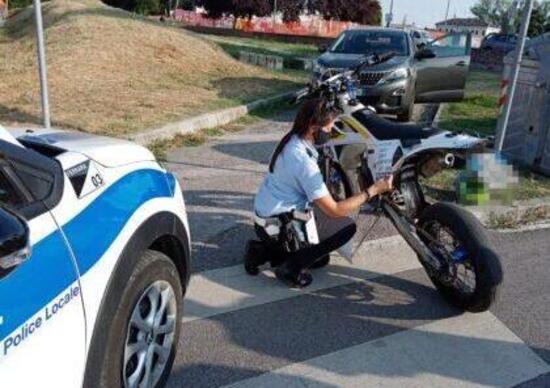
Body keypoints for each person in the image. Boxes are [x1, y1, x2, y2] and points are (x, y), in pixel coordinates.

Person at [245, 98, 393, 288]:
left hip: (265, 219)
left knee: (320, 259)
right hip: (279, 226)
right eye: (328, 128)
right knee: (346, 227)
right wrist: (373, 190)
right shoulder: (303, 161)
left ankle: (260, 251)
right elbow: (336, 210)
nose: (331, 132)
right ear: (313, 127)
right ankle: (290, 268)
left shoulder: (291, 140)